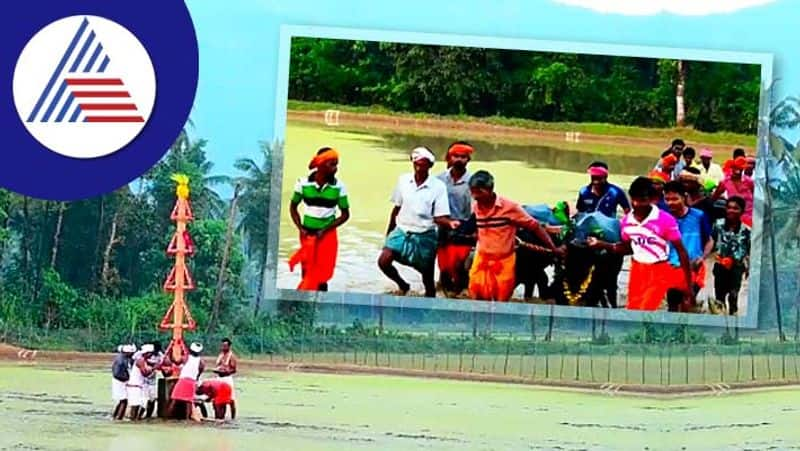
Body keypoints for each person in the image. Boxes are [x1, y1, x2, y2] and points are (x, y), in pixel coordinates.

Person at [587, 177, 694, 311]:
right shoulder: (626, 222)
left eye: (642, 200)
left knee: (646, 310)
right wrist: (602, 244)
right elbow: (628, 248)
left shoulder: (665, 220)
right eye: (634, 200)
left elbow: (681, 252)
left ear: (652, 199)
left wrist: (689, 287)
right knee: (633, 310)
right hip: (637, 270)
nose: (637, 204)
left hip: (659, 270)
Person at [467, 170, 560, 302]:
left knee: (501, 300)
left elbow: (535, 226)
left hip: (504, 262)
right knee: (476, 297)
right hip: (482, 260)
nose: (475, 196)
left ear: (490, 189)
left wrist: (553, 248)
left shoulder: (510, 207)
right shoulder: (475, 207)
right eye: (472, 192)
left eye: (479, 192)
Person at [379, 146, 459, 297]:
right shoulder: (403, 180)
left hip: (425, 234)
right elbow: (397, 208)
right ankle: (403, 285)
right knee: (383, 261)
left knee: (427, 276)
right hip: (402, 230)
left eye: (423, 164)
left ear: (430, 165)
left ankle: (429, 298)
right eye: (416, 164)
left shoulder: (438, 187)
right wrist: (389, 232)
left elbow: (439, 216)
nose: (419, 168)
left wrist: (449, 224)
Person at [288, 147, 350, 291]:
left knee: (322, 276)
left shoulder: (339, 187)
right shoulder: (303, 183)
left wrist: (325, 229)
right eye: (332, 164)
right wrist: (300, 227)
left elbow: (345, 215)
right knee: (306, 272)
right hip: (307, 234)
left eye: (337, 164)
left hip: (327, 235)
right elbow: (293, 208)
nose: (336, 169)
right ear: (321, 165)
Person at [575, 161, 629, 307]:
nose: (597, 181)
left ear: (606, 176)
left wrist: (624, 230)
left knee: (611, 279)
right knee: (584, 273)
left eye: (600, 178)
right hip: (589, 238)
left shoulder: (616, 192)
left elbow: (628, 212)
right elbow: (580, 213)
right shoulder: (583, 192)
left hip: (610, 238)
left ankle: (613, 305)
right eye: (594, 178)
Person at [662, 182, 714, 312]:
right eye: (667, 199)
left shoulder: (699, 216)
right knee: (672, 305)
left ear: (684, 197)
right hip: (671, 267)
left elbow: (709, 241)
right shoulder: (664, 218)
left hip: (694, 268)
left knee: (688, 305)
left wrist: (702, 257)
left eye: (674, 199)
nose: (670, 203)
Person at [436, 142, 476, 295]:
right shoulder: (438, 179)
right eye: (455, 156)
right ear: (449, 158)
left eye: (463, 157)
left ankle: (460, 292)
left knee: (458, 266)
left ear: (468, 160)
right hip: (441, 226)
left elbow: (477, 209)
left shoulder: (473, 181)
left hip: (463, 228)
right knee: (444, 267)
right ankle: (447, 293)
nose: (459, 160)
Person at [710, 196, 751, 315]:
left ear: (742, 211)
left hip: (737, 267)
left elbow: (749, 249)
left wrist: (749, 267)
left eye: (735, 208)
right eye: (729, 208)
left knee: (733, 296)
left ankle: (734, 320)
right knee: (719, 297)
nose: (731, 211)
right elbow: (711, 241)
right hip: (720, 265)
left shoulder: (746, 230)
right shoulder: (718, 225)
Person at [712, 156, 754, 226]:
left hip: (750, 215)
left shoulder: (749, 182)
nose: (737, 171)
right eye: (735, 168)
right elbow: (714, 198)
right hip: (734, 216)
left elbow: (756, 197)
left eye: (740, 169)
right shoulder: (725, 182)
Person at [168, 342, 205, 420]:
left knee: (174, 399)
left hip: (183, 380)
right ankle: (187, 418)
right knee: (188, 402)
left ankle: (168, 417)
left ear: (191, 350)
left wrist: (170, 351)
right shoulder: (201, 362)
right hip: (192, 382)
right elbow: (199, 373)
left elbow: (175, 361)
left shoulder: (186, 358)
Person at [127, 344, 156, 421]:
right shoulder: (140, 360)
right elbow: (145, 373)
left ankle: (136, 418)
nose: (151, 355)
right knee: (135, 405)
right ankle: (133, 419)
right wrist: (153, 368)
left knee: (142, 404)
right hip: (135, 386)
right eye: (150, 353)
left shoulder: (144, 360)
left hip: (139, 386)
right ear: (147, 353)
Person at [214, 338, 237, 419]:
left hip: (227, 379)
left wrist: (226, 371)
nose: (223, 347)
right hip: (219, 378)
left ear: (229, 346)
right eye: (222, 345)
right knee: (218, 398)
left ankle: (233, 417)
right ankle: (219, 416)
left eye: (225, 346)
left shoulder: (232, 356)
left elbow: (234, 370)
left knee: (231, 400)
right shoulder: (220, 355)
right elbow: (217, 366)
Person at [111, 344, 135, 421]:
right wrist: (127, 379)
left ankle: (115, 416)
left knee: (122, 400)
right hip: (120, 382)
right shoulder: (120, 360)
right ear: (127, 352)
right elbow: (116, 373)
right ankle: (119, 418)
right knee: (124, 401)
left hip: (122, 381)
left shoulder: (124, 358)